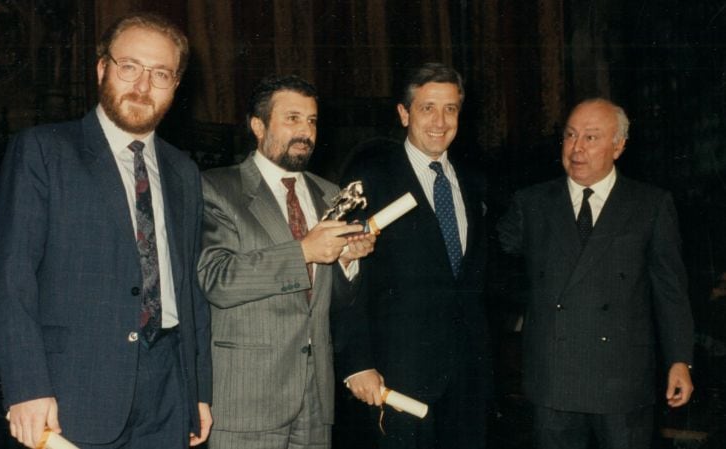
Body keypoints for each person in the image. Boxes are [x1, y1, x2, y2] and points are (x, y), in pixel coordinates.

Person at [0, 13, 212, 449]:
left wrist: (198, 392)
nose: (143, 86)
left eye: (160, 74)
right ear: (102, 68)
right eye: (129, 67)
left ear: (176, 85)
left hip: (168, 390)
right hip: (73, 391)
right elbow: (9, 278)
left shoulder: (183, 170)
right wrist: (26, 386)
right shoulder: (45, 151)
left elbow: (190, 291)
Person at [496, 98, 694, 449]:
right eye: (570, 136)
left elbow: (670, 290)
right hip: (554, 378)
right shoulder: (531, 203)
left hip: (622, 379)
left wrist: (680, 360)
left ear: (618, 146)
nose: (576, 148)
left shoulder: (650, 204)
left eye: (591, 138)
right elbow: (487, 262)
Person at [196, 74, 376, 449]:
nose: (305, 131)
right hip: (247, 400)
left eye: (311, 121)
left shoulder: (329, 194)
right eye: (292, 118)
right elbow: (216, 279)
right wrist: (304, 252)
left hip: (315, 400)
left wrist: (347, 262)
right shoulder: (216, 188)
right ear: (258, 126)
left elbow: (334, 302)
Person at [333, 62, 492, 449]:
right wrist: (356, 361)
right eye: (427, 108)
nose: (440, 121)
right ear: (404, 114)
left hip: (468, 383)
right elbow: (340, 270)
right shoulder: (369, 175)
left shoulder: (474, 181)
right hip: (394, 381)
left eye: (450, 108)